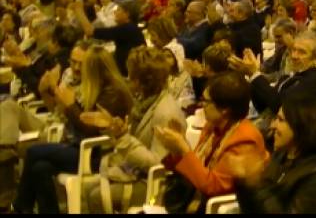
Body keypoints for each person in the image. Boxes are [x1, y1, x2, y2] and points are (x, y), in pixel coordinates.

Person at [11, 45, 134, 214]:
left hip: (98, 155)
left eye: (83, 65)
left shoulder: (113, 92)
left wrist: (70, 105)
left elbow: (91, 129)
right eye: (74, 63)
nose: (78, 69)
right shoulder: (95, 86)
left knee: (33, 152)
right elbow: (80, 118)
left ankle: (19, 207)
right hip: (78, 146)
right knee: (40, 168)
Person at [85, 46, 186, 213]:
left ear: (140, 81)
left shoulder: (165, 113)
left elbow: (157, 164)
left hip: (155, 186)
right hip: (135, 172)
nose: (127, 77)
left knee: (96, 196)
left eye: (130, 74)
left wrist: (124, 137)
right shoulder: (143, 103)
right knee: (88, 189)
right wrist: (114, 129)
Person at [155, 71, 267, 213]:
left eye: (206, 101)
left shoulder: (245, 138)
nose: (202, 105)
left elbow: (213, 186)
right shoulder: (212, 127)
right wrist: (175, 150)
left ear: (224, 109)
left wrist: (184, 149)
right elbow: (194, 170)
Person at [231, 93, 316, 214]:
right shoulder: (282, 155)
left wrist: (253, 184)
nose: (273, 125)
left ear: (301, 126)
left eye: (280, 120)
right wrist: (245, 182)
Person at [229, 31, 316, 116]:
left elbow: (280, 106)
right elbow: (263, 105)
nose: (294, 56)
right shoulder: (287, 77)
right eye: (293, 50)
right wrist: (250, 75)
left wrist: (255, 74)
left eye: (302, 52)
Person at [72, 0, 145, 76]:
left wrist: (79, 10)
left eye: (118, 9)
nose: (115, 12)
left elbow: (89, 31)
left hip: (129, 76)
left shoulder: (127, 29)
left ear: (127, 14)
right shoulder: (130, 28)